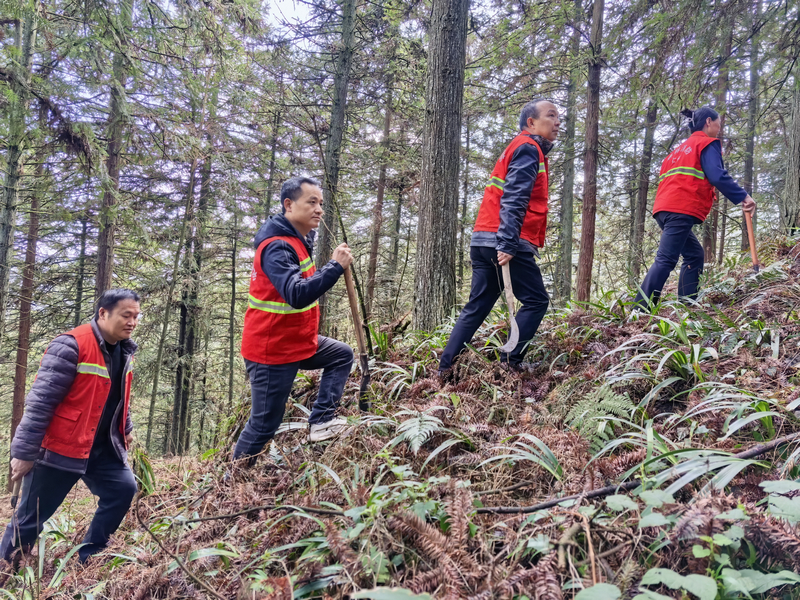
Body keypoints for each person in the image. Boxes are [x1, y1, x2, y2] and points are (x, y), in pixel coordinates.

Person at [1, 289, 141, 564]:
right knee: (31, 518)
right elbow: (40, 402)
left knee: (123, 490)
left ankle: (88, 557)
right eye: (126, 315)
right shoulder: (72, 345)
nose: (132, 322)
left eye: (137, 316)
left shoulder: (125, 351)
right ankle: (7, 570)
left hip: (101, 449)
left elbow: (115, 397)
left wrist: (126, 427)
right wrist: (25, 453)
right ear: (103, 313)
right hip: (59, 449)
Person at [235, 176, 355, 461]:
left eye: (321, 204)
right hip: (271, 351)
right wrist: (335, 266)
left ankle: (322, 421)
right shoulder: (277, 247)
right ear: (288, 205)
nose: (319, 210)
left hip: (296, 343)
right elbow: (296, 294)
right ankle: (232, 480)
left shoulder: (299, 238)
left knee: (341, 355)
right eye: (311, 202)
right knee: (263, 426)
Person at [439, 100, 559, 375]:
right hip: (504, 240)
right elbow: (514, 197)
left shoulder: (516, 148)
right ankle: (510, 365)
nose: (557, 122)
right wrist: (507, 243)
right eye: (551, 116)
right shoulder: (528, 148)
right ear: (531, 123)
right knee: (537, 300)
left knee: (478, 305)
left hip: (482, 239)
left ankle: (445, 368)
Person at [634, 107, 757, 309]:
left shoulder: (676, 152)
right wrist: (742, 196)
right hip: (679, 210)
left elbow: (681, 179)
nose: (719, 129)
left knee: (694, 255)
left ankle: (688, 304)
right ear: (708, 121)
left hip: (663, 209)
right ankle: (639, 309)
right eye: (719, 124)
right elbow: (717, 175)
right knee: (665, 260)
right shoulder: (706, 143)